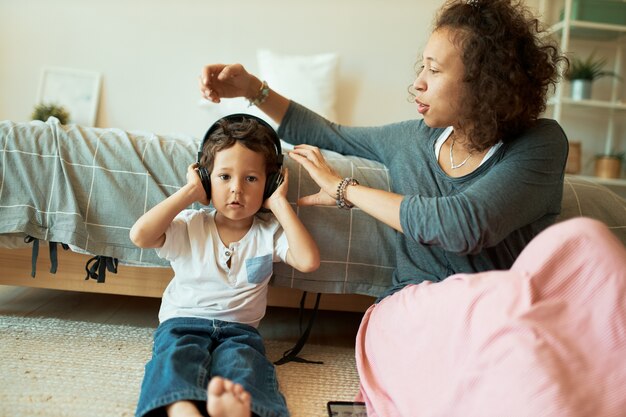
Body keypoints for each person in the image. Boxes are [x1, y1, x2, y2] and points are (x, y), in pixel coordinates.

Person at [198, 0, 572, 413]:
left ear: (484, 83)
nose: (418, 83)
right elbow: (328, 133)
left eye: (434, 69)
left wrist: (346, 190)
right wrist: (253, 90)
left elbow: (464, 225)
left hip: (494, 314)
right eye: (421, 67)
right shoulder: (411, 140)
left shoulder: (540, 143)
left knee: (588, 246)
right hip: (413, 307)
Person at [130, 114, 320, 417]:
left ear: (269, 184)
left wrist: (280, 204)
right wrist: (191, 191)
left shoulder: (268, 233)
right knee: (175, 358)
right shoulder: (190, 225)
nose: (236, 189)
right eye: (224, 177)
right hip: (182, 323)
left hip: (239, 331)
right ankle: (180, 407)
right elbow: (140, 235)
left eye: (252, 179)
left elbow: (308, 261)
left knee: (243, 362)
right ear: (207, 178)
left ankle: (237, 410)